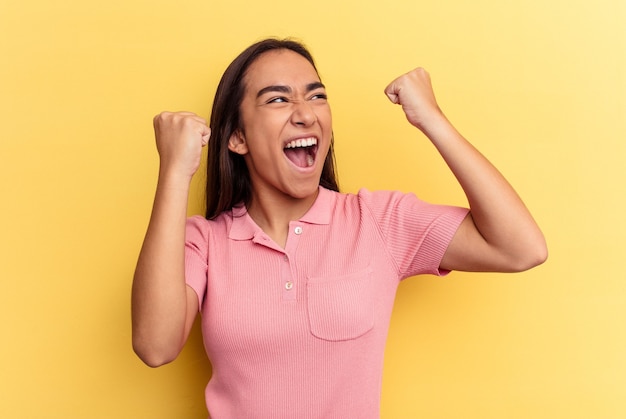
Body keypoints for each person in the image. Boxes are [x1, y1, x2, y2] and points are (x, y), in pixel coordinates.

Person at [131, 38, 547, 418]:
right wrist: (174, 171)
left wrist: (432, 120)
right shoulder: (203, 242)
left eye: (316, 96)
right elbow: (155, 346)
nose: (305, 113)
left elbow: (521, 248)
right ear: (237, 137)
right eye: (278, 99)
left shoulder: (379, 221)